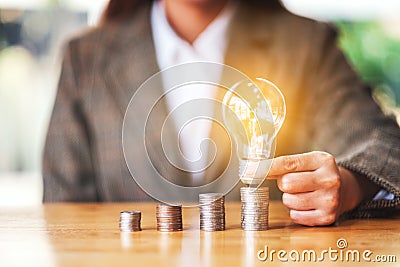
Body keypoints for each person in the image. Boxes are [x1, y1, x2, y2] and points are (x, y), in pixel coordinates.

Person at [43, 0, 400, 226]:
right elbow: (61, 212)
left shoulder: (304, 44)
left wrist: (350, 185)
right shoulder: (85, 58)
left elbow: (385, 146)